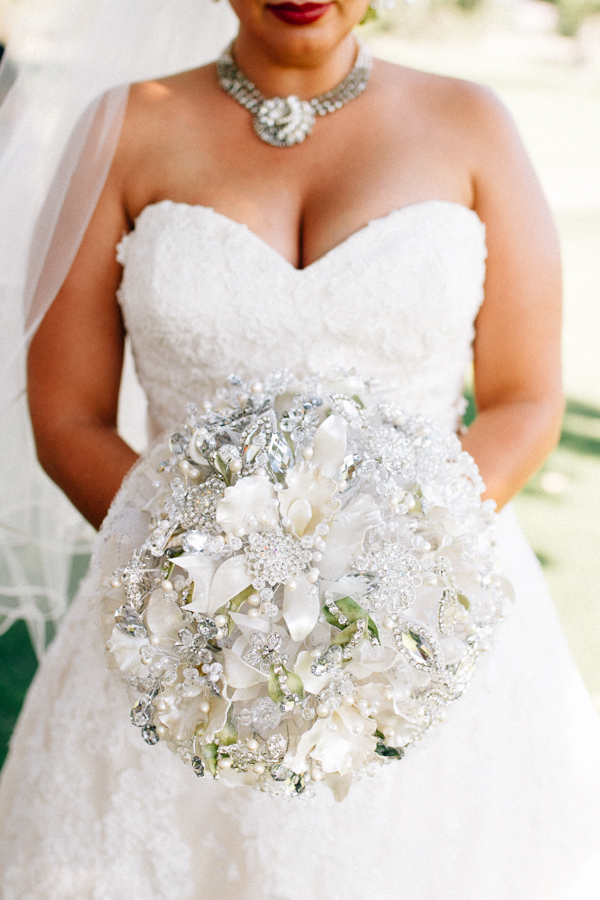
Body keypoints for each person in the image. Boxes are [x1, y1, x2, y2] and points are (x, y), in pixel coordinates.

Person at [1, 0, 600, 897]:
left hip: (433, 621)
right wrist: (202, 579)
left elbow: (525, 398)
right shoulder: (122, 127)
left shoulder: (473, 123)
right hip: (171, 620)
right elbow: (68, 418)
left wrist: (399, 574)